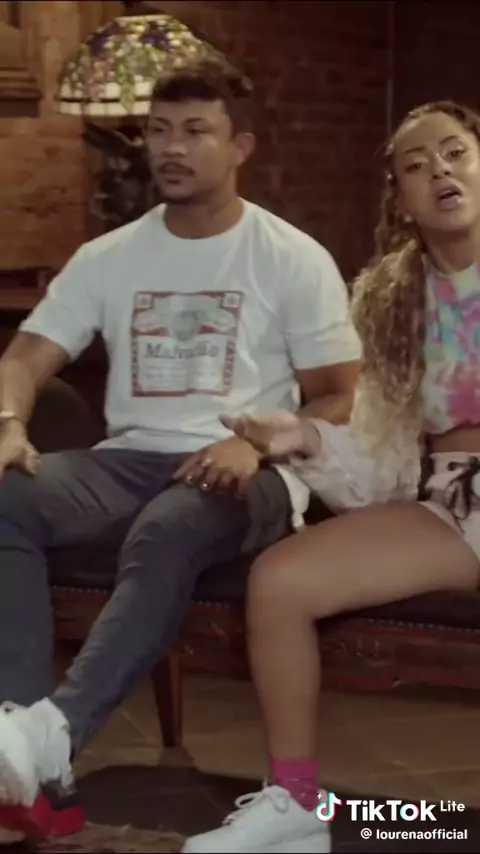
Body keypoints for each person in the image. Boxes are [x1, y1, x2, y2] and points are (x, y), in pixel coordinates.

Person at [0, 56, 361, 842]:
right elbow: (23, 358)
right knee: (5, 497)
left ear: (241, 147)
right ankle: (21, 759)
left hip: (250, 468)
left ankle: (53, 733)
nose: (171, 146)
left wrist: (257, 442)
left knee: (168, 525)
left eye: (196, 131)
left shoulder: (289, 255)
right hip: (126, 461)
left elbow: (340, 394)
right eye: (159, 130)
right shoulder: (109, 256)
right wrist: (8, 423)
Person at [182, 99, 480, 854]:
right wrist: (301, 435)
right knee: (281, 581)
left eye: (455, 152)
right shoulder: (391, 301)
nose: (439, 171)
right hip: (458, 499)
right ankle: (296, 807)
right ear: (400, 200)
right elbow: (380, 456)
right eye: (416, 166)